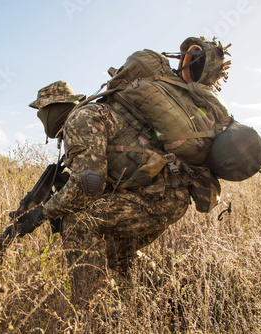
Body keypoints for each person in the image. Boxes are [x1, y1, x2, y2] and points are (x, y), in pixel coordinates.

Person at [28, 80, 191, 307]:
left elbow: (88, 187)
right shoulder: (89, 115)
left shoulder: (79, 120)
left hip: (159, 196)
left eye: (41, 110)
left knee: (80, 222)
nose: (40, 116)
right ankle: (179, 300)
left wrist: (42, 213)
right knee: (117, 253)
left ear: (54, 107)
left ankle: (91, 310)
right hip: (166, 194)